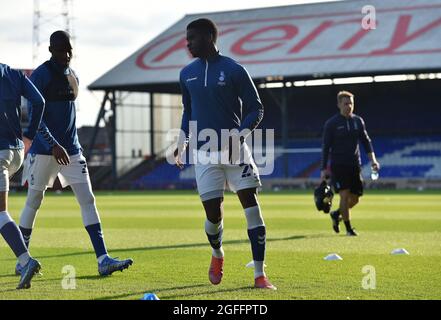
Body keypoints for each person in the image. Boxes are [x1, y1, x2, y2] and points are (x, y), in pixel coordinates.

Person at [18, 30, 133, 276]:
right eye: (61, 50)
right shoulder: (40, 76)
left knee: (88, 199)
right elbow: (34, 119)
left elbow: (69, 117)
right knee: (34, 201)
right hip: (44, 151)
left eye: (69, 49)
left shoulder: (74, 76)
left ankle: (103, 259)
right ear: (51, 50)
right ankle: (22, 260)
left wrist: (68, 145)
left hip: (71, 151)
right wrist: (53, 145)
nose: (66, 54)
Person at [174, 18, 276, 290]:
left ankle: (259, 275)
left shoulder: (234, 70)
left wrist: (239, 136)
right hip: (204, 154)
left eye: (192, 38)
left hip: (235, 152)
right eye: (187, 38)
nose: (188, 44)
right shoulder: (186, 74)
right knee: (212, 217)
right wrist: (182, 140)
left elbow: (256, 108)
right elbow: (188, 111)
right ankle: (218, 253)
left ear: (209, 37)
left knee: (252, 209)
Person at [0, 62, 45, 289]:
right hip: (16, 151)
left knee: (0, 213)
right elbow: (39, 101)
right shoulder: (13, 74)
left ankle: (26, 261)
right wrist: (29, 136)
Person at [320, 91, 380, 236]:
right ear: (339, 104)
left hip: (355, 165)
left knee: (355, 199)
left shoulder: (358, 121)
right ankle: (348, 229)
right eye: (346, 103)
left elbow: (366, 142)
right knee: (344, 196)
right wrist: (324, 169)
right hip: (339, 166)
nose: (349, 106)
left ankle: (336, 214)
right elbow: (326, 147)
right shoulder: (332, 124)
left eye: (351, 103)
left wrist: (373, 160)